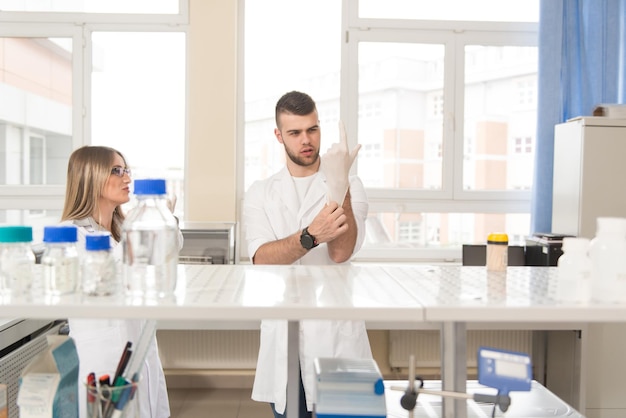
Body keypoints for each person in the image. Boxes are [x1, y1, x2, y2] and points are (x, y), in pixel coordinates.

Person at [243, 91, 372, 418]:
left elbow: (341, 252)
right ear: (278, 135)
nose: (306, 140)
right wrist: (311, 236)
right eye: (295, 132)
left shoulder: (350, 185)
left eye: (312, 129)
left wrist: (339, 183)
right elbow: (262, 259)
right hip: (285, 340)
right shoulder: (260, 193)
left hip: (338, 335)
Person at [60, 145, 181, 418]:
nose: (127, 178)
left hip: (140, 348)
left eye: (127, 170)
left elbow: (164, 254)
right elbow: (111, 275)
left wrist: (166, 219)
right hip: (101, 356)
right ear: (90, 175)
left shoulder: (122, 231)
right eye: (117, 170)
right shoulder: (73, 236)